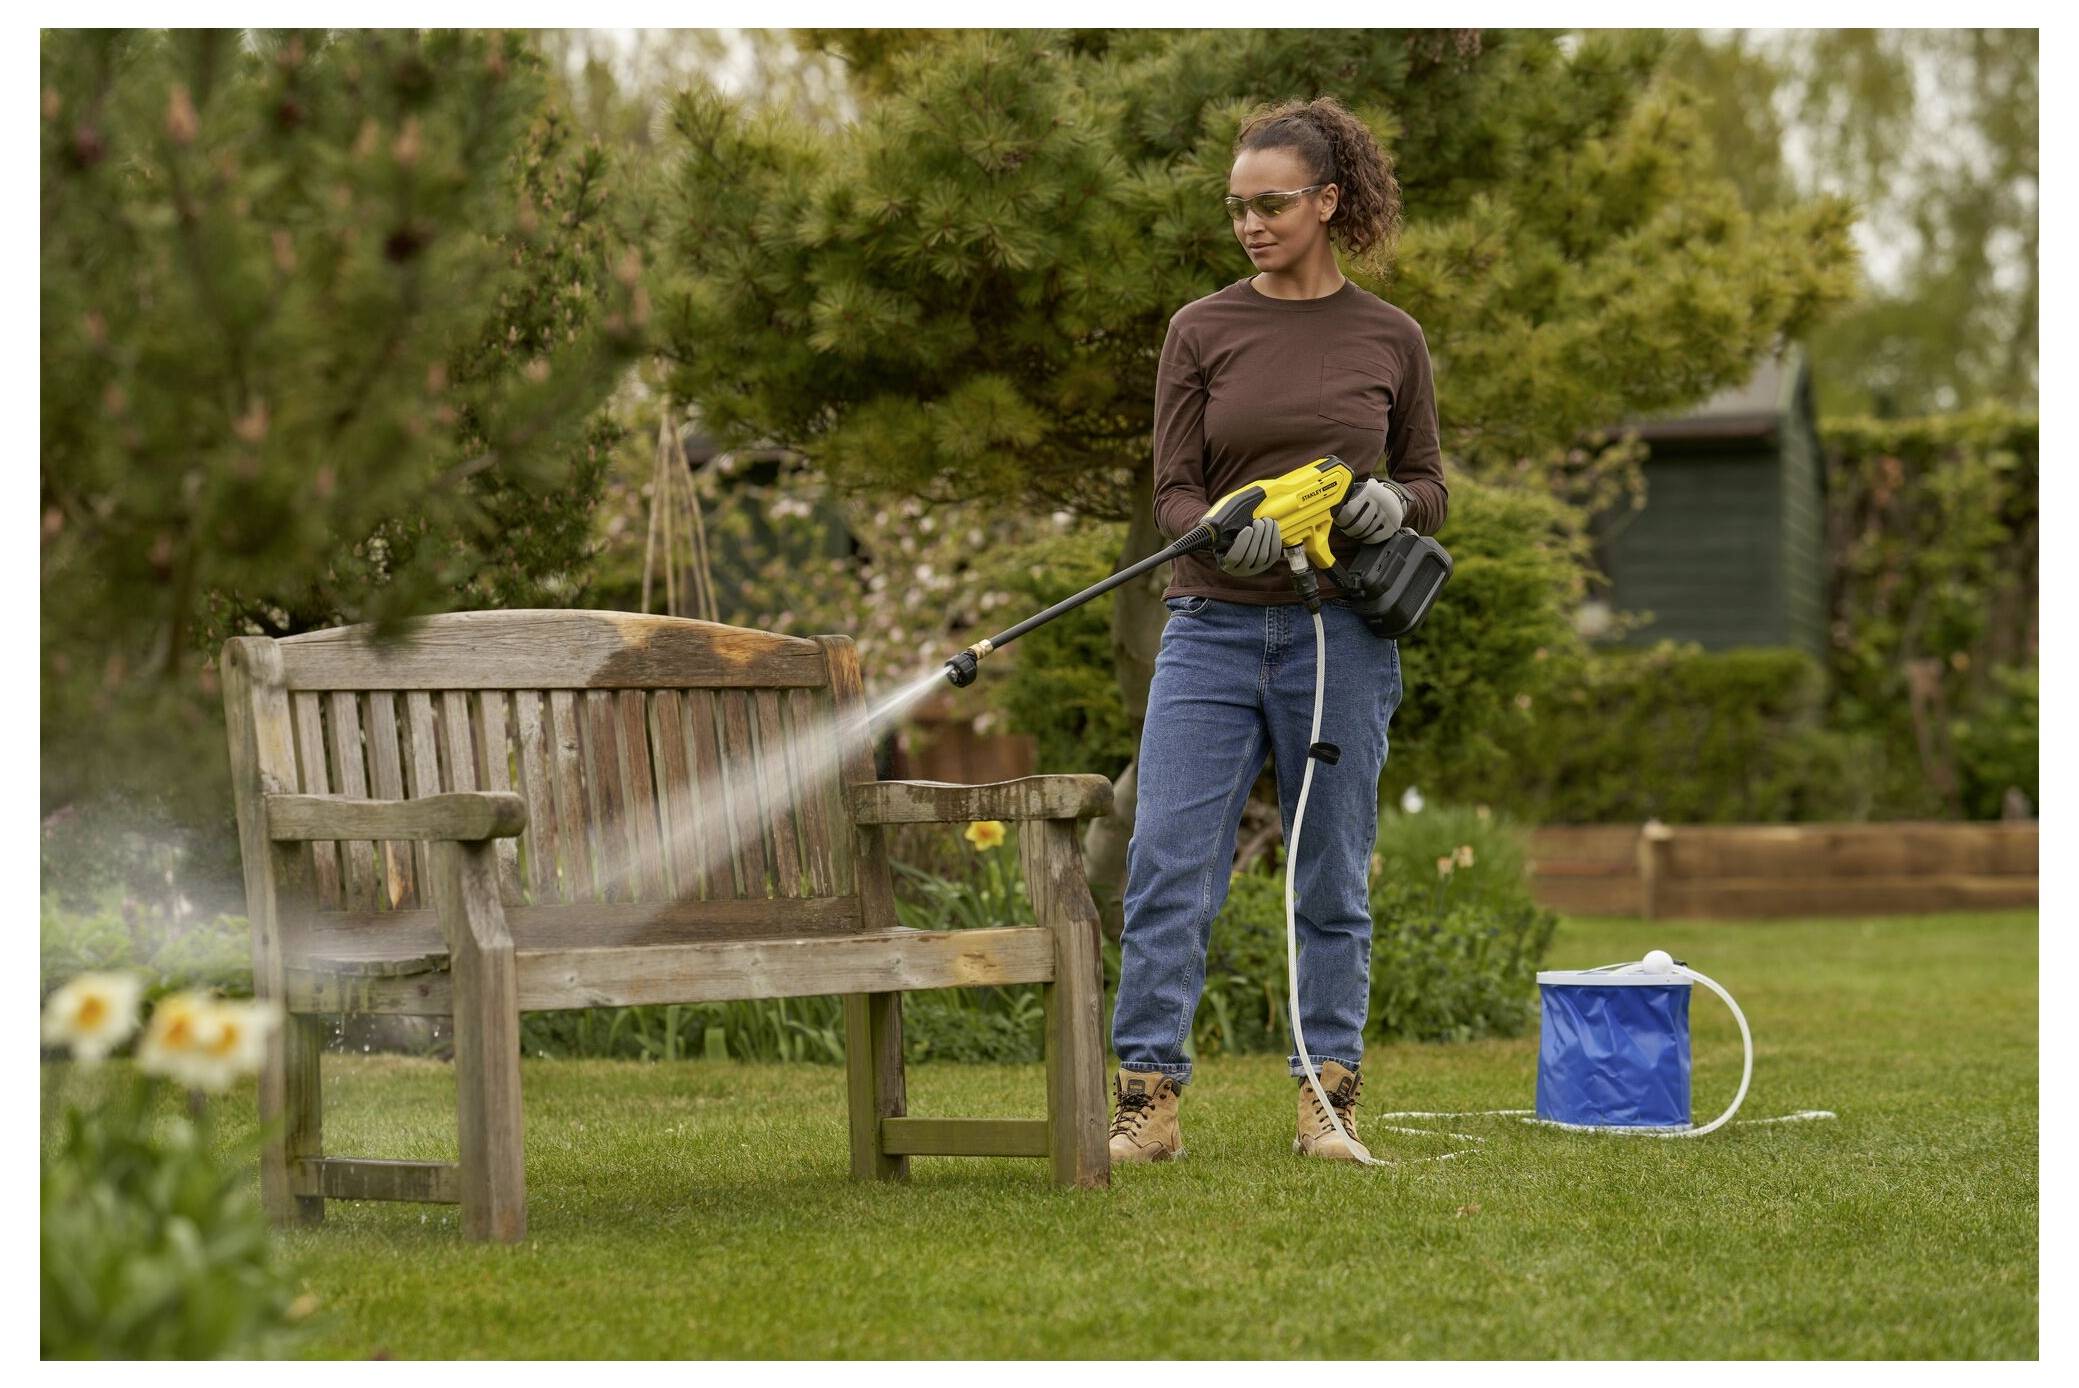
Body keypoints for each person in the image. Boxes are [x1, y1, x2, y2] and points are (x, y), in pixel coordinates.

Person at [1106, 96, 1448, 1165]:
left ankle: (1327, 1101)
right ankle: (1147, 1102)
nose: (1251, 224)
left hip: (1340, 637)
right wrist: (1214, 535)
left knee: (1330, 873)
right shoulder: (1202, 328)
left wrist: (1396, 504)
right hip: (1209, 629)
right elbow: (1169, 494)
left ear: (1329, 202)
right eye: (1237, 208)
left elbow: (1431, 483)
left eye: (1272, 204)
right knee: (1168, 863)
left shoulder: (1391, 337)